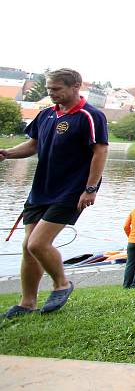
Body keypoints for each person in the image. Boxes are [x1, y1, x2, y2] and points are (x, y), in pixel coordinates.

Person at [0, 68, 109, 318]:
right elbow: (33, 144)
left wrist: (90, 189)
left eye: (57, 89)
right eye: (49, 89)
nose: (51, 93)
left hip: (71, 191)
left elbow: (100, 151)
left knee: (38, 243)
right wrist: (7, 154)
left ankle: (62, 284)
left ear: (75, 87)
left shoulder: (90, 116)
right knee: (28, 247)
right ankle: (27, 303)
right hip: (40, 190)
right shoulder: (46, 115)